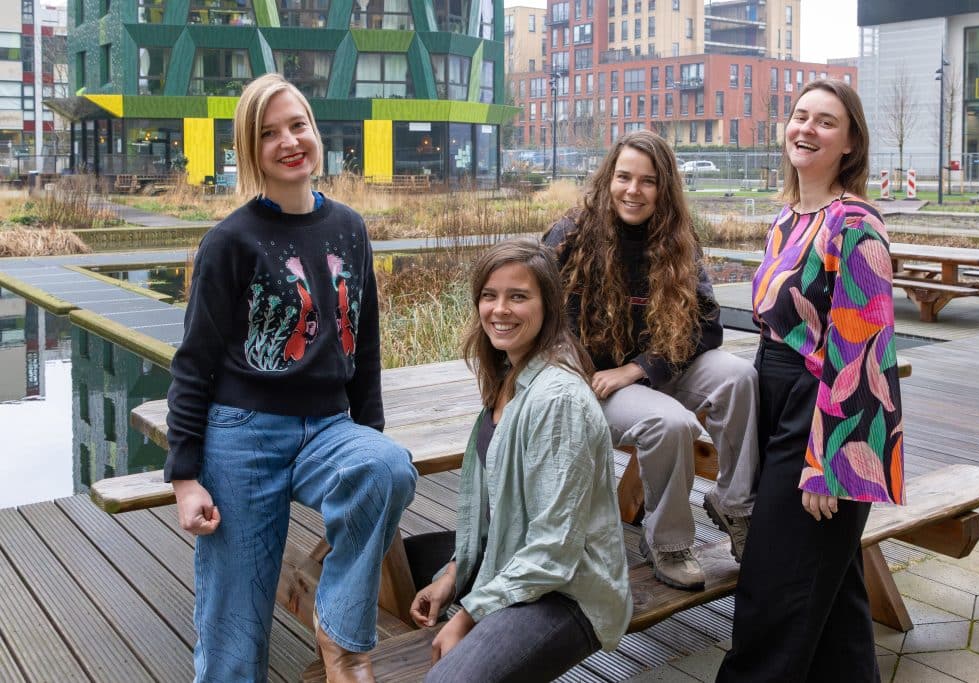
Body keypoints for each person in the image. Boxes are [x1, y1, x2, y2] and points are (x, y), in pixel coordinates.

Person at [164, 73, 417, 683]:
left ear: (315, 132)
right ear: (250, 151)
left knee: (388, 466)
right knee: (234, 626)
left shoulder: (350, 228)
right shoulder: (230, 241)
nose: (288, 141)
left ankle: (341, 636)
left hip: (329, 425)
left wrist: (369, 433)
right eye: (268, 133)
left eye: (297, 125)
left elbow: (367, 342)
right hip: (242, 434)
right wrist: (184, 478)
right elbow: (194, 363)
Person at [717, 80, 905, 683]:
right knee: (831, 588)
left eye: (826, 122)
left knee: (775, 585)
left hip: (823, 410)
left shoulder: (855, 228)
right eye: (800, 116)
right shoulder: (786, 220)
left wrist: (829, 465)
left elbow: (863, 350)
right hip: (776, 397)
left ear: (850, 143)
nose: (807, 129)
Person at [542, 130, 759, 589]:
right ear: (608, 178)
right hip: (592, 380)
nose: (633, 190)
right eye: (624, 177)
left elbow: (707, 325)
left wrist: (642, 367)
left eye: (648, 181)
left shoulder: (677, 239)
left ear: (664, 189)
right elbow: (540, 319)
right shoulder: (570, 236)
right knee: (672, 423)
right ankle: (669, 542)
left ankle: (736, 507)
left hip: (651, 369)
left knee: (739, 375)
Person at [409, 238, 631, 683]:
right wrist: (453, 575)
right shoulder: (512, 376)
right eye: (489, 296)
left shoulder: (557, 398)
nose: (500, 309)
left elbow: (553, 548)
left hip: (568, 591)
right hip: (516, 557)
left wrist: (467, 615)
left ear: (547, 304)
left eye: (518, 296)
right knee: (383, 560)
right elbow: (496, 515)